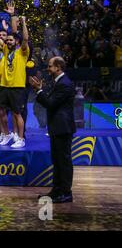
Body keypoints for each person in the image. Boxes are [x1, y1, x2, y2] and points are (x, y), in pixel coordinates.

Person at [29, 57, 76, 203]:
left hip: (63, 128)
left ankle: (66, 193)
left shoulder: (65, 84)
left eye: (50, 66)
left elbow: (50, 104)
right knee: (57, 161)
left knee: (64, 161)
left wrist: (39, 91)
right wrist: (40, 91)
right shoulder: (59, 82)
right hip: (57, 127)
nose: (48, 69)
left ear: (58, 67)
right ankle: (56, 191)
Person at [0, 16, 30, 148]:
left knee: (16, 113)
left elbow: (25, 38)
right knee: (0, 110)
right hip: (4, 85)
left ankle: (20, 138)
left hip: (17, 87)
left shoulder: (22, 52)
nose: (8, 42)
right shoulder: (5, 50)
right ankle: (7, 133)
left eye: (11, 40)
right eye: (7, 40)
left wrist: (24, 22)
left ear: (16, 42)